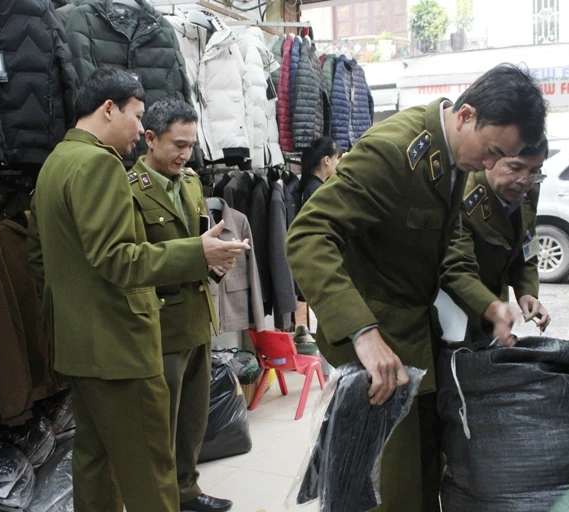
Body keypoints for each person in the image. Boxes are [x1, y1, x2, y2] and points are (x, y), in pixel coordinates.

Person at [285, 63, 547, 511]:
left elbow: (441, 249)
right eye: (493, 152)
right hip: (376, 345)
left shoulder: (454, 156)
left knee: (424, 470)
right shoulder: (392, 152)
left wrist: (490, 307)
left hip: (413, 338)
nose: (491, 166)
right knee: (391, 488)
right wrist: (362, 334)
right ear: (465, 115)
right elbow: (308, 236)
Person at [27, 68, 249, 512]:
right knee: (151, 471)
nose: (136, 132)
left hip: (79, 344)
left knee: (95, 460)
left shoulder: (56, 162)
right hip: (121, 347)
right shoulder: (98, 164)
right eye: (136, 116)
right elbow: (118, 258)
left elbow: (39, 260)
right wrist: (196, 254)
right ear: (109, 109)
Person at [128, 99, 235, 512]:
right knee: (161, 423)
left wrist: (219, 261)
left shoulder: (190, 181)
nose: (184, 154)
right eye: (177, 144)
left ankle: (187, 491)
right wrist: (198, 254)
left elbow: (198, 241)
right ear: (150, 139)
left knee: (192, 418)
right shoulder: (129, 188)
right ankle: (161, 500)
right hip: (160, 320)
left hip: (196, 313)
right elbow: (135, 259)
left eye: (190, 145)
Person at [440, 138, 552, 347]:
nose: (524, 180)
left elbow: (527, 243)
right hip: (455, 310)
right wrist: (494, 309)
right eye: (515, 168)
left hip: (497, 311)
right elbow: (456, 268)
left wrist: (527, 292)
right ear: (491, 160)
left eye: (535, 171)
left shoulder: (528, 190)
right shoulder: (463, 196)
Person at [300, 136, 343, 204]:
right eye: (338, 159)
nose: (340, 163)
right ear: (327, 160)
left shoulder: (315, 186)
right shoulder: (315, 190)